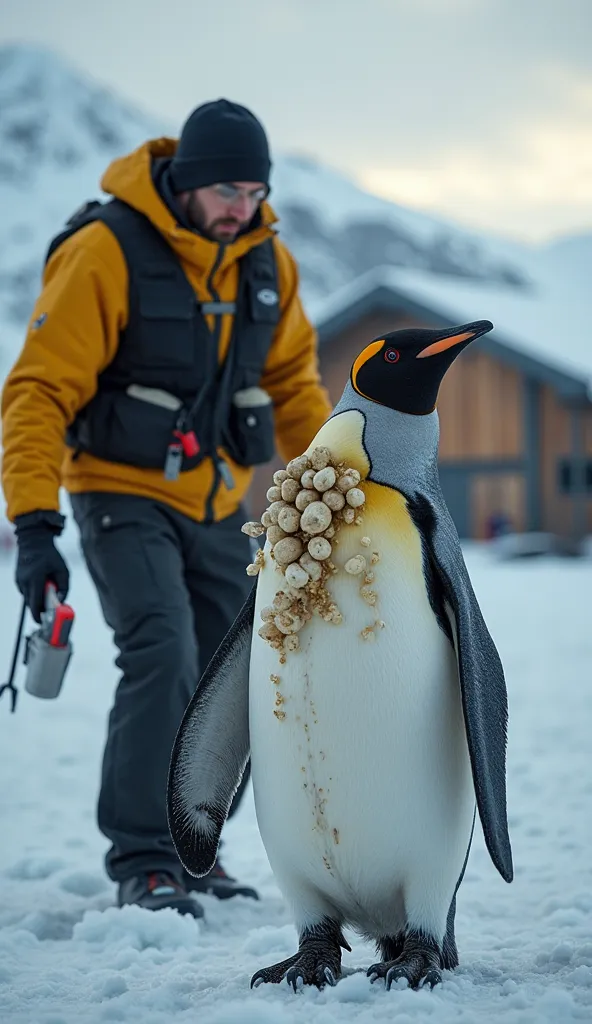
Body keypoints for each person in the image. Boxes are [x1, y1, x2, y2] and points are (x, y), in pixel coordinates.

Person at [1, 99, 332, 918]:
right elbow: (38, 392)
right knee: (163, 646)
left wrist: (331, 491)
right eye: (226, 191)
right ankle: (144, 859)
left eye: (255, 192)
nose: (241, 209)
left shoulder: (269, 265)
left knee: (234, 669)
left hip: (218, 497)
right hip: (117, 491)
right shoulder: (105, 251)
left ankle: (195, 849)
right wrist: (36, 526)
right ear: (185, 181)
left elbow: (294, 388)